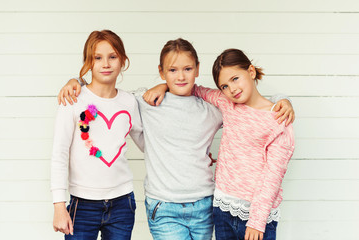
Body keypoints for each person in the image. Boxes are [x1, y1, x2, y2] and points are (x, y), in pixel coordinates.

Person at [58, 39, 294, 240]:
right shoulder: (146, 102)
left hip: (205, 205)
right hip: (164, 207)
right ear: (161, 71)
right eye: (172, 71)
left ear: (197, 69)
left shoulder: (214, 108)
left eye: (187, 69)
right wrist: (76, 82)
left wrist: (283, 100)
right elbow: (107, 95)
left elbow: (251, 107)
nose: (180, 76)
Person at [146, 48, 295, 240]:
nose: (231, 89)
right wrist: (163, 86)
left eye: (235, 79)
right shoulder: (227, 103)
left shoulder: (278, 119)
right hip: (222, 209)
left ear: (250, 72)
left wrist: (257, 221)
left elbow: (272, 177)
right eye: (224, 86)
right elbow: (192, 87)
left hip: (256, 217)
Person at [51, 30, 144, 240]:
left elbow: (149, 144)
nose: (106, 64)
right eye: (98, 58)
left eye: (112, 57)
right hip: (82, 205)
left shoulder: (129, 102)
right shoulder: (73, 99)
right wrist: (58, 205)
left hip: (122, 203)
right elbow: (59, 153)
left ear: (123, 60)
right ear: (89, 62)